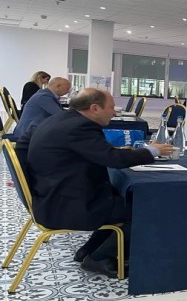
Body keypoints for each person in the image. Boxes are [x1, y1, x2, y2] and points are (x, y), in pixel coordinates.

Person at [25, 88, 173, 277]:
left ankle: (88, 250)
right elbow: (113, 159)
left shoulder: (60, 120)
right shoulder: (80, 127)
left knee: (124, 199)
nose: (114, 113)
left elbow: (98, 153)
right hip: (69, 206)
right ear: (94, 108)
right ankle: (100, 258)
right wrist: (152, 151)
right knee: (147, 209)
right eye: (111, 108)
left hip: (53, 198)